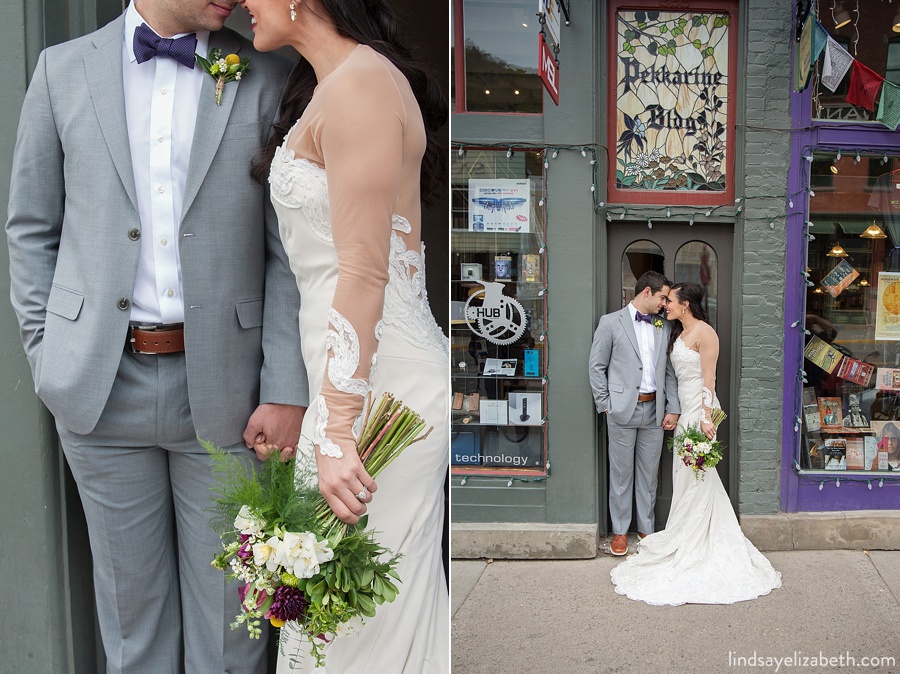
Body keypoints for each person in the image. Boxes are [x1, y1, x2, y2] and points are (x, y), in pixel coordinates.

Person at [5, 1, 308, 671]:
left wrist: (286, 386)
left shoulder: (269, 72)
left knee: (233, 636)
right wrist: (48, 356)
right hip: (99, 393)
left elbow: (289, 252)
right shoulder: (60, 72)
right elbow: (30, 229)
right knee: (132, 631)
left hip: (232, 398)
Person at [237, 0, 449, 670]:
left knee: (358, 636)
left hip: (379, 394)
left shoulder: (360, 84)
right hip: (355, 383)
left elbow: (362, 271)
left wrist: (336, 433)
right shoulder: (339, 84)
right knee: (343, 630)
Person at [610, 282, 781, 605]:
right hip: (683, 409)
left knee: (698, 476)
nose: (666, 306)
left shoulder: (706, 333)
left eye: (670, 301)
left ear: (685, 304)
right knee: (686, 476)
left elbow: (709, 378)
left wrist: (705, 417)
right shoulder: (676, 333)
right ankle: (686, 533)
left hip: (698, 412)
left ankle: (698, 540)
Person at [588, 270, 681, 556]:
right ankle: (619, 531)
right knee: (620, 474)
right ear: (646, 293)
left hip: (654, 412)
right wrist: (605, 405)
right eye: (662, 297)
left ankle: (646, 529)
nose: (665, 304)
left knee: (649, 475)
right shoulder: (610, 323)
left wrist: (673, 408)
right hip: (621, 411)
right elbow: (596, 367)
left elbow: (668, 372)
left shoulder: (662, 326)